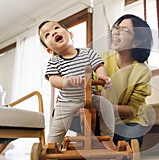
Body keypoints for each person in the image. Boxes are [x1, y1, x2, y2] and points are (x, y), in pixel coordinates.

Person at [38, 20, 115, 148]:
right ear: (49, 50)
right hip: (67, 101)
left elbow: (99, 66)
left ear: (71, 35)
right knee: (58, 126)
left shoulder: (88, 53)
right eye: (47, 35)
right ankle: (52, 146)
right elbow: (53, 79)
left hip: (90, 96)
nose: (53, 32)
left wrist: (103, 77)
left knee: (106, 105)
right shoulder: (54, 62)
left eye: (56, 28)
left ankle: (107, 137)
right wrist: (66, 81)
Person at [98, 14, 153, 147]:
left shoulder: (142, 71)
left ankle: (106, 140)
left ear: (136, 42)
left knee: (130, 141)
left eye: (124, 30)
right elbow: (89, 88)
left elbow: (133, 109)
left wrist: (107, 108)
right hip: (101, 118)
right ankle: (104, 139)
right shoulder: (100, 59)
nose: (116, 31)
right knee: (65, 112)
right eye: (116, 27)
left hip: (127, 121)